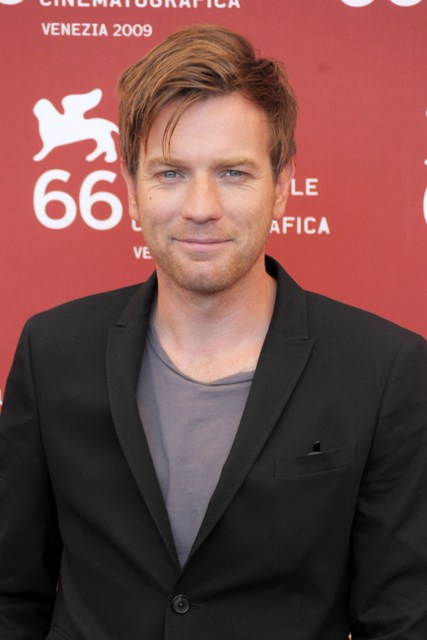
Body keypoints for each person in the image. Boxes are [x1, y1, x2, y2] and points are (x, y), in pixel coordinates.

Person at [0, 24, 426, 640]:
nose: (201, 207)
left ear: (282, 188)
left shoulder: (383, 369)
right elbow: (11, 595)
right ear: (131, 190)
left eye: (232, 173)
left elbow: (402, 620)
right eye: (171, 173)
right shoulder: (51, 352)